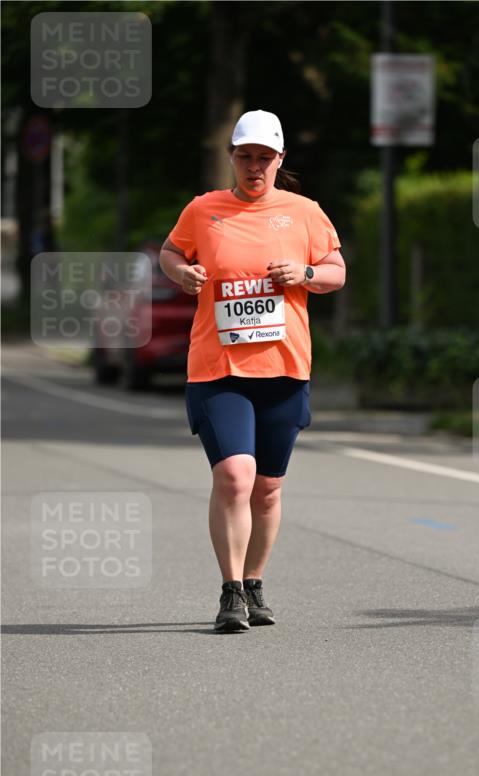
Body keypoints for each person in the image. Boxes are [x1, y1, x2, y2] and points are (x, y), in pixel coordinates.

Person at [159, 110, 345, 633]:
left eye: (265, 157)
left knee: (266, 487)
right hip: (217, 367)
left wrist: (304, 273)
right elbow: (171, 253)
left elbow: (336, 272)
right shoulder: (204, 209)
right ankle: (230, 591)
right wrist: (183, 272)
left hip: (283, 366)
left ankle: (255, 580)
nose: (255, 166)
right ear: (232, 156)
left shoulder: (304, 211)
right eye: (245, 156)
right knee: (234, 476)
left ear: (280, 159)